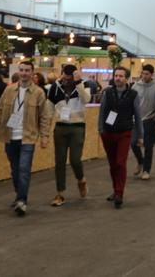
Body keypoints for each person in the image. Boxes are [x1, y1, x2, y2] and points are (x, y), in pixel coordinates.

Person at [0, 60, 52, 216]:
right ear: (19, 72)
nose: (24, 73)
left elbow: (44, 116)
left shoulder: (38, 93)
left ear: (32, 72)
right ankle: (19, 194)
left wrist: (44, 136)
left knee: (23, 169)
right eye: (21, 70)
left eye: (27, 70)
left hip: (27, 137)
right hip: (9, 136)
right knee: (15, 170)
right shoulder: (9, 91)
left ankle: (22, 200)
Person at [98, 66, 143, 208]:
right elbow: (102, 111)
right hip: (108, 132)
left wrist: (141, 135)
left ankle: (119, 193)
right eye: (116, 75)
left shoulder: (133, 94)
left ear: (127, 78)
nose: (118, 78)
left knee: (120, 162)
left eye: (121, 76)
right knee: (112, 164)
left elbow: (138, 115)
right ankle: (115, 189)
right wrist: (101, 130)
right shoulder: (107, 93)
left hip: (124, 132)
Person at [48, 64, 91, 207]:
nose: (65, 80)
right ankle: (60, 193)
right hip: (60, 127)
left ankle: (81, 179)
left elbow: (86, 100)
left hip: (77, 127)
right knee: (59, 161)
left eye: (69, 78)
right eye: (64, 77)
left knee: (75, 159)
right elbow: (48, 110)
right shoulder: (54, 87)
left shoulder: (83, 85)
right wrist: (45, 132)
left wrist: (78, 83)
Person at [132, 64, 155, 180]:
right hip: (136, 120)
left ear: (152, 75)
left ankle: (146, 170)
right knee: (133, 143)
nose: (144, 76)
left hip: (150, 120)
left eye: (147, 74)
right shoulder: (135, 86)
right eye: (143, 73)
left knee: (148, 146)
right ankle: (140, 161)